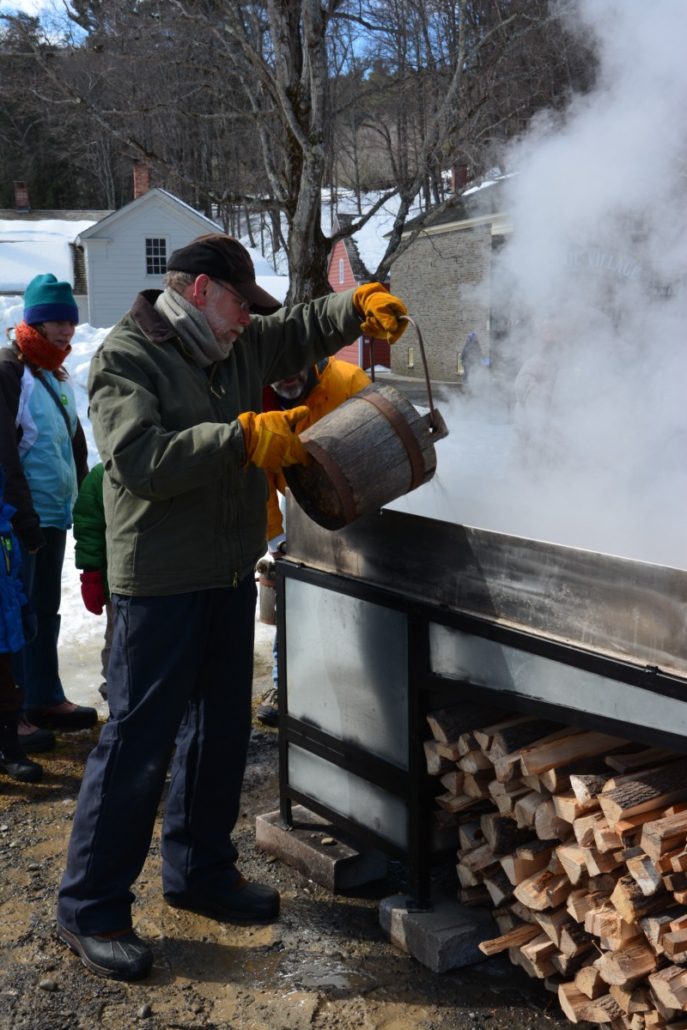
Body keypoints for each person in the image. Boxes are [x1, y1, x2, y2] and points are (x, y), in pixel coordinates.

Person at [55, 233, 408, 982]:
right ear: (199, 290)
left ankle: (200, 873)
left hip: (222, 572)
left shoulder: (235, 345)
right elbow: (141, 460)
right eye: (240, 304)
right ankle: (90, 908)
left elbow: (298, 329)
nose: (250, 319)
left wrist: (358, 304)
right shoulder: (125, 357)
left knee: (219, 731)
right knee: (137, 746)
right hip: (157, 581)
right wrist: (242, 438)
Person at [0, 274, 96, 754]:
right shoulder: (9, 371)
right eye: (55, 320)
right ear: (32, 321)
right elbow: (5, 455)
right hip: (20, 520)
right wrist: (25, 521)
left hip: (53, 515)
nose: (65, 330)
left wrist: (82, 498)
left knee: (43, 610)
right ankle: (14, 714)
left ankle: (43, 698)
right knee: (16, 616)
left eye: (70, 321)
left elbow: (72, 443)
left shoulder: (53, 373)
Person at [257, 356, 371, 726]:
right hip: (300, 514)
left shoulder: (348, 380)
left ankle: (359, 680)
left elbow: (380, 438)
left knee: (357, 604)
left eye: (291, 365)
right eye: (275, 371)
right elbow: (257, 479)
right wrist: (275, 534)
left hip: (358, 506)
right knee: (296, 604)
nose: (285, 376)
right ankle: (285, 683)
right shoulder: (260, 404)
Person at [0, 465, 43, 783]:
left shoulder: (5, 527)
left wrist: (25, 609)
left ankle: (10, 751)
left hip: (5, 625)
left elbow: (13, 575)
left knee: (7, 688)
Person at [72, 463, 111, 700]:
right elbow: (88, 529)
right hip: (116, 583)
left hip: (164, 581)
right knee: (118, 640)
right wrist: (90, 574)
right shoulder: (99, 477)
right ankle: (115, 690)